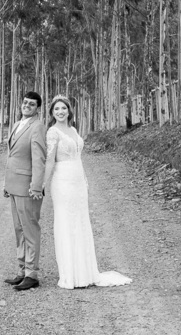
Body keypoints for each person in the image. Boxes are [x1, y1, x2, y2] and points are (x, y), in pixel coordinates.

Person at [41, 94, 132, 289]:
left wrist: (84, 179)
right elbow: (49, 160)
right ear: (51, 113)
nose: (60, 112)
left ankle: (85, 271)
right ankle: (70, 274)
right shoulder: (52, 132)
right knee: (65, 222)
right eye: (56, 109)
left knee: (81, 222)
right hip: (62, 181)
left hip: (78, 182)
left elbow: (79, 157)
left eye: (63, 108)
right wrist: (41, 183)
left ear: (69, 110)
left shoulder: (73, 129)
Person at [3, 91, 47, 291]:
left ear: (37, 108)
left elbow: (39, 159)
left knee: (30, 229)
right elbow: (12, 157)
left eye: (31, 104)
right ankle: (22, 269)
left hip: (28, 188)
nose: (27, 106)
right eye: (25, 103)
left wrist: (36, 186)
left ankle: (32, 273)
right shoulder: (17, 124)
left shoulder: (37, 127)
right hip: (14, 185)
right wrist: (6, 184)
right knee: (18, 229)